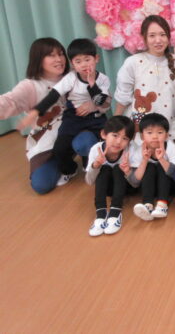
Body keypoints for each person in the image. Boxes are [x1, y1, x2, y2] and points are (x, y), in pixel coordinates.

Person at [18, 38, 111, 185]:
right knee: (60, 148)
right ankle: (70, 169)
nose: (84, 64)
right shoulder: (70, 78)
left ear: (96, 59)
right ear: (73, 64)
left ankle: (92, 166)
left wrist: (92, 84)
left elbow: (100, 102)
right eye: (78, 61)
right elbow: (54, 95)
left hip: (95, 118)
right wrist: (35, 112)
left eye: (87, 60)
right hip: (73, 118)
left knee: (102, 143)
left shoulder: (103, 79)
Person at [0, 38, 72, 194]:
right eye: (51, 55)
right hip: (48, 140)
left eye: (61, 54)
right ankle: (61, 163)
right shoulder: (30, 86)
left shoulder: (72, 77)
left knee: (84, 141)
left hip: (74, 133)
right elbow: (9, 101)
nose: (59, 59)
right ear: (39, 59)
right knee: (41, 185)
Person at [114, 15, 175, 148]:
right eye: (152, 35)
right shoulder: (133, 62)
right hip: (143, 132)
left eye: (162, 35)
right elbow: (123, 97)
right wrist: (114, 125)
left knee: (174, 160)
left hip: (174, 132)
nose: (158, 40)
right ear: (144, 38)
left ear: (168, 37)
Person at [86, 116, 135, 236]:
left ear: (129, 141)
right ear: (104, 134)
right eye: (115, 135)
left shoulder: (131, 149)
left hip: (128, 187)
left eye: (125, 138)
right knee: (105, 168)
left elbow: (136, 183)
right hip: (108, 189)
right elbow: (89, 181)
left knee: (118, 168)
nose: (118, 142)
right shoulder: (96, 149)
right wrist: (96, 165)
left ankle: (115, 212)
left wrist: (128, 170)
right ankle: (100, 213)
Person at [129, 113, 175, 221]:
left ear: (166, 135)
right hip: (150, 189)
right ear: (142, 136)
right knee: (149, 166)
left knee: (161, 166)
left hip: (170, 187)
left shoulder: (170, 147)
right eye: (149, 132)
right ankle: (147, 205)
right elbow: (135, 182)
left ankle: (162, 205)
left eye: (160, 132)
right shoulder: (139, 151)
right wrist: (144, 160)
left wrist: (161, 159)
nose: (154, 136)